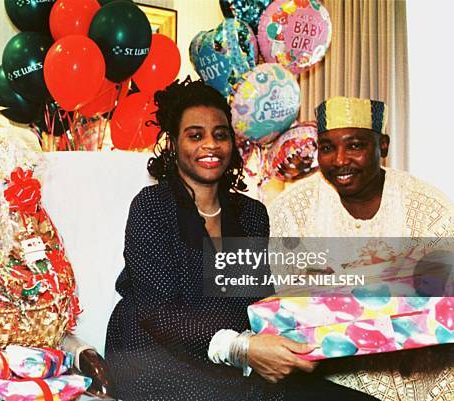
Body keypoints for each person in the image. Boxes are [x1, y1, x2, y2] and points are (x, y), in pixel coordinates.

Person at [104, 79, 378, 401]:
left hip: (236, 357)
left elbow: (256, 301)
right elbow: (159, 312)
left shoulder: (251, 214)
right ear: (174, 145)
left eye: (220, 135)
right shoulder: (152, 207)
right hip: (155, 353)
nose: (210, 145)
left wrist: (320, 305)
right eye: (195, 135)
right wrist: (242, 348)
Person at [268, 96, 453, 401]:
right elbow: (284, 307)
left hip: (430, 383)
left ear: (383, 146)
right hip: (335, 387)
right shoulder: (291, 211)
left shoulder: (428, 207)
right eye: (327, 148)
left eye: (354, 145)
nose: (340, 160)